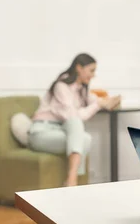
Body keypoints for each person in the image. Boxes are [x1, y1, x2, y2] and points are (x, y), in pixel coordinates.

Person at [29, 53, 121, 186]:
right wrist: (98, 104)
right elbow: (73, 116)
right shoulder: (61, 86)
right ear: (79, 68)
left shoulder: (80, 89)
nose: (93, 75)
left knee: (85, 139)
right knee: (77, 126)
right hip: (40, 133)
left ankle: (73, 181)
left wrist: (106, 102)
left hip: (59, 131)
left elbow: (95, 101)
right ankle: (72, 180)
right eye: (91, 70)